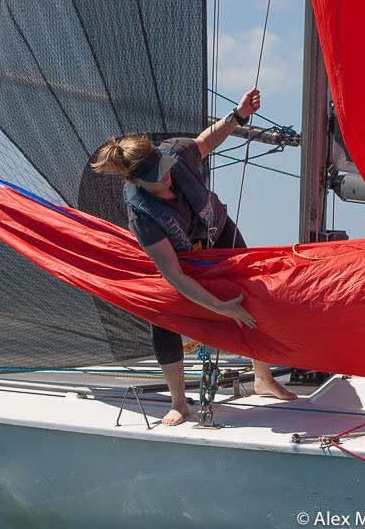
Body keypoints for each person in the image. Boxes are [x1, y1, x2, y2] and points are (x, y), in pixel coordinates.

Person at [91, 88, 297, 426]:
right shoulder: (143, 217)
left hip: (217, 230)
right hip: (182, 258)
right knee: (162, 317)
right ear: (139, 184)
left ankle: (263, 377)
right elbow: (174, 276)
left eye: (165, 168)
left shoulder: (176, 153)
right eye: (159, 179)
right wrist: (219, 307)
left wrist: (239, 114)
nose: (168, 176)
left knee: (254, 291)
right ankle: (178, 403)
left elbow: (205, 142)